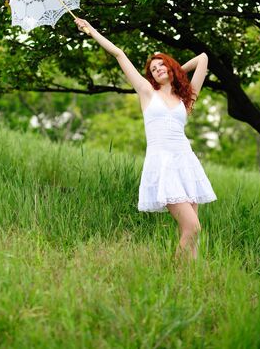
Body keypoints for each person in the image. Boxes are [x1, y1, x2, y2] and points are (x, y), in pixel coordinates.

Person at [74, 17, 217, 260]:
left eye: (162, 65)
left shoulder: (186, 99)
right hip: (162, 163)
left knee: (190, 231)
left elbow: (202, 58)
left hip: (186, 163)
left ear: (171, 67)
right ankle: (174, 273)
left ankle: (192, 282)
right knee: (193, 227)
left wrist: (175, 73)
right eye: (154, 69)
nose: (158, 69)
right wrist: (91, 31)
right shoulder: (147, 92)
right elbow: (119, 54)